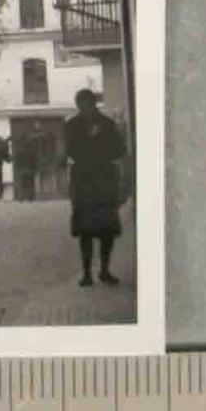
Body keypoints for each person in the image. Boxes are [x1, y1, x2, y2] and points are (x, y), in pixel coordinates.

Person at [64, 88, 127, 286]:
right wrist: (88, 142)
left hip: (104, 182)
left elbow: (120, 150)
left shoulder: (108, 124)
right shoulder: (71, 126)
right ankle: (86, 274)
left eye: (87, 104)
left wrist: (101, 143)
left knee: (106, 231)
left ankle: (105, 271)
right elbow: (70, 151)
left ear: (93, 104)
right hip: (83, 182)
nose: (84, 109)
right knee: (85, 231)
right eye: (80, 105)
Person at [12, 131, 36, 202]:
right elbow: (33, 161)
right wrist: (34, 168)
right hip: (29, 170)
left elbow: (17, 162)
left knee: (22, 184)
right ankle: (30, 198)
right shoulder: (31, 152)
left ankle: (21, 198)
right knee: (30, 184)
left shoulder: (19, 152)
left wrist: (17, 169)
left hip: (22, 170)